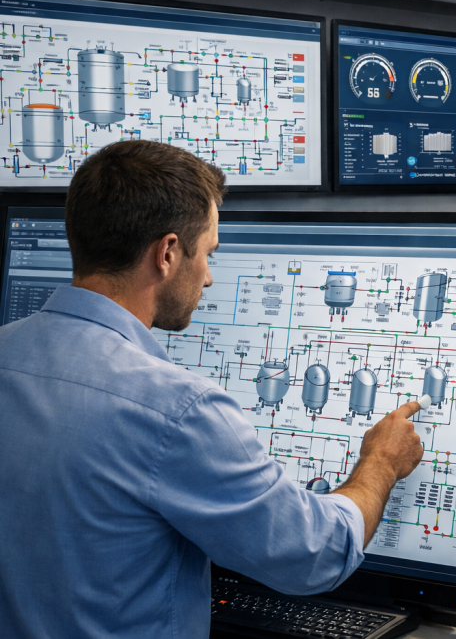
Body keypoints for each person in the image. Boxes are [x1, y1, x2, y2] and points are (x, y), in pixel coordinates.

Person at [0, 141, 424, 638]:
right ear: (168, 253)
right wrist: (381, 464)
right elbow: (314, 553)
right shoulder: (174, 410)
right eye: (207, 253)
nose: (208, 276)